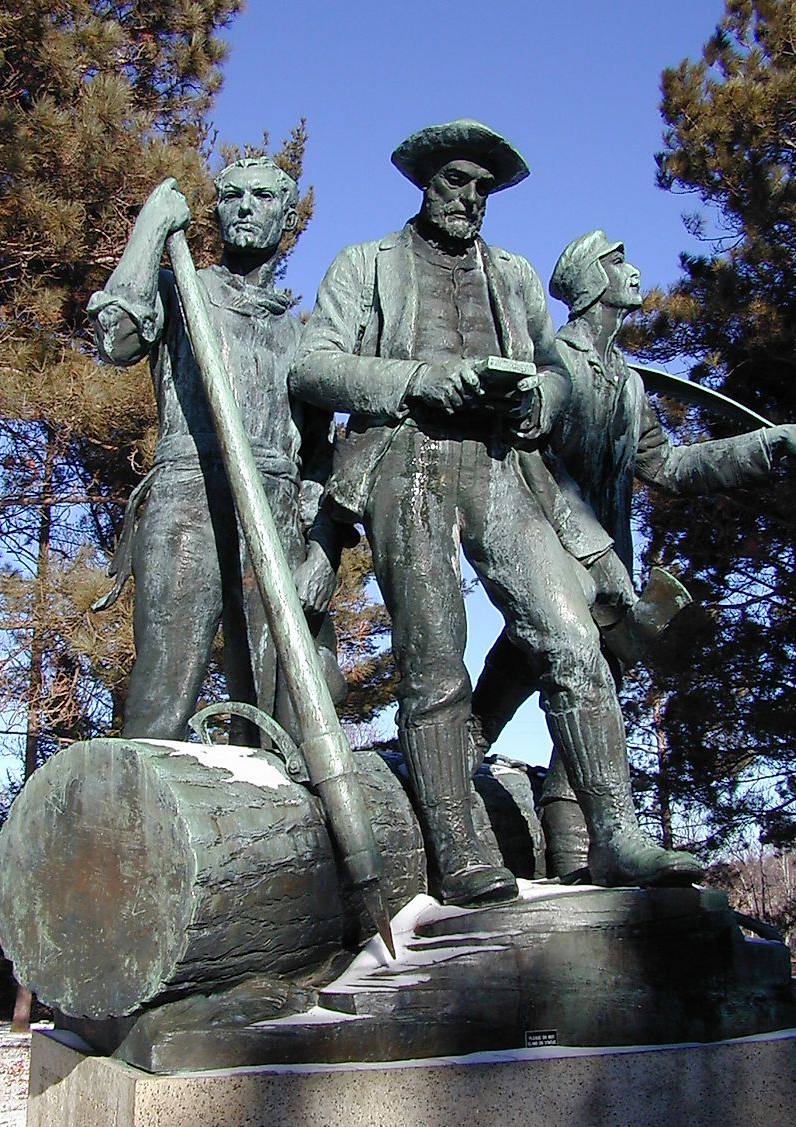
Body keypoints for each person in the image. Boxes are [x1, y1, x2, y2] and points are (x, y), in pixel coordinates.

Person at [291, 120, 702, 906]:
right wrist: (417, 380)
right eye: (456, 182)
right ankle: (459, 846)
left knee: (574, 640)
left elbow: (554, 374)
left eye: (483, 188)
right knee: (435, 660)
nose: (470, 199)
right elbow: (314, 366)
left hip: (504, 469)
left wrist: (535, 404)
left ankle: (615, 834)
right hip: (405, 460)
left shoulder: (510, 275)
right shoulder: (365, 263)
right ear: (423, 182)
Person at [472, 230, 796, 875]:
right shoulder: (552, 364)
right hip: (546, 550)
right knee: (533, 673)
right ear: (592, 283)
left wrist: (766, 448)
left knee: (584, 698)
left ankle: (577, 861)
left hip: (609, 569)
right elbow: (528, 463)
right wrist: (579, 547)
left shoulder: (626, 385)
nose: (634, 272)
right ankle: (439, 785)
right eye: (617, 264)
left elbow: (668, 465)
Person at [88, 158, 342, 742]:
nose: (246, 207)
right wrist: (149, 228)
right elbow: (118, 340)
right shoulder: (182, 292)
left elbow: (323, 455)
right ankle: (139, 817)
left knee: (286, 703)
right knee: (164, 690)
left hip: (277, 513)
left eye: (261, 196)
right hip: (189, 494)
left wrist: (322, 549)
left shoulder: (302, 335)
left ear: (287, 215)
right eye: (231, 196)